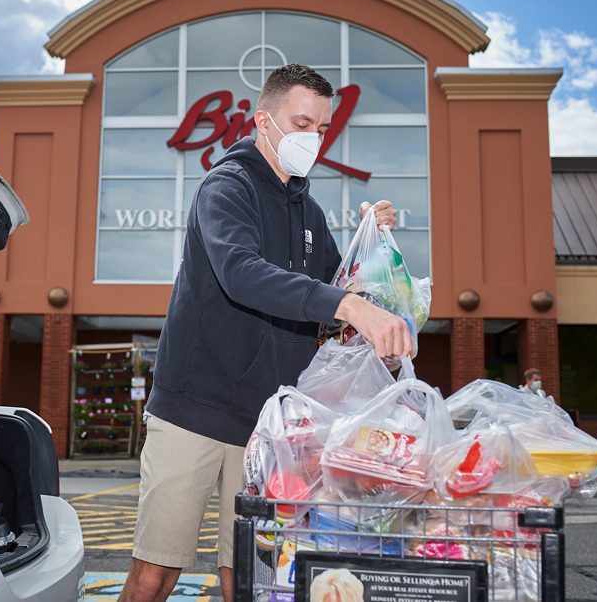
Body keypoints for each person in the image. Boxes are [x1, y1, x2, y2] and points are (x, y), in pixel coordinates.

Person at [118, 64, 411, 602]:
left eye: (322, 129)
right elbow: (242, 272)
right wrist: (349, 304)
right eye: (302, 122)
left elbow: (336, 291)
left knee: (249, 576)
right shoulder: (226, 186)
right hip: (194, 410)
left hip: (268, 425)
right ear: (263, 121)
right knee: (157, 573)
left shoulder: (309, 211)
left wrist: (374, 244)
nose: (313, 138)